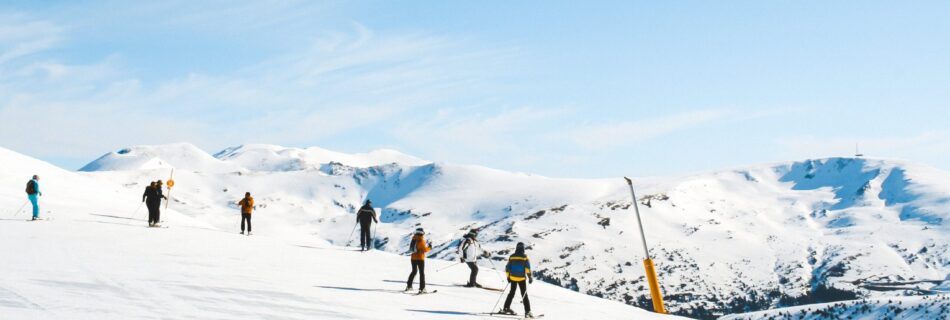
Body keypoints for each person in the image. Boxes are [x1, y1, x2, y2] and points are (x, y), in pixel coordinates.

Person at [500, 242, 534, 318]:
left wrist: (508, 277)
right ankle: (527, 311)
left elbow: (507, 268)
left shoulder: (512, 256)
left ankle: (506, 308)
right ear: (523, 248)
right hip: (521, 278)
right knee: (524, 294)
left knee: (511, 293)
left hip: (513, 278)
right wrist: (530, 277)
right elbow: (527, 268)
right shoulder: (525, 257)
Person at [405, 228, 431, 293]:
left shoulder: (414, 238)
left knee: (414, 271)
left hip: (413, 258)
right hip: (420, 258)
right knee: (421, 273)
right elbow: (424, 250)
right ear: (422, 233)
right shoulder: (421, 240)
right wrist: (429, 247)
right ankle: (422, 288)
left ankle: (409, 286)